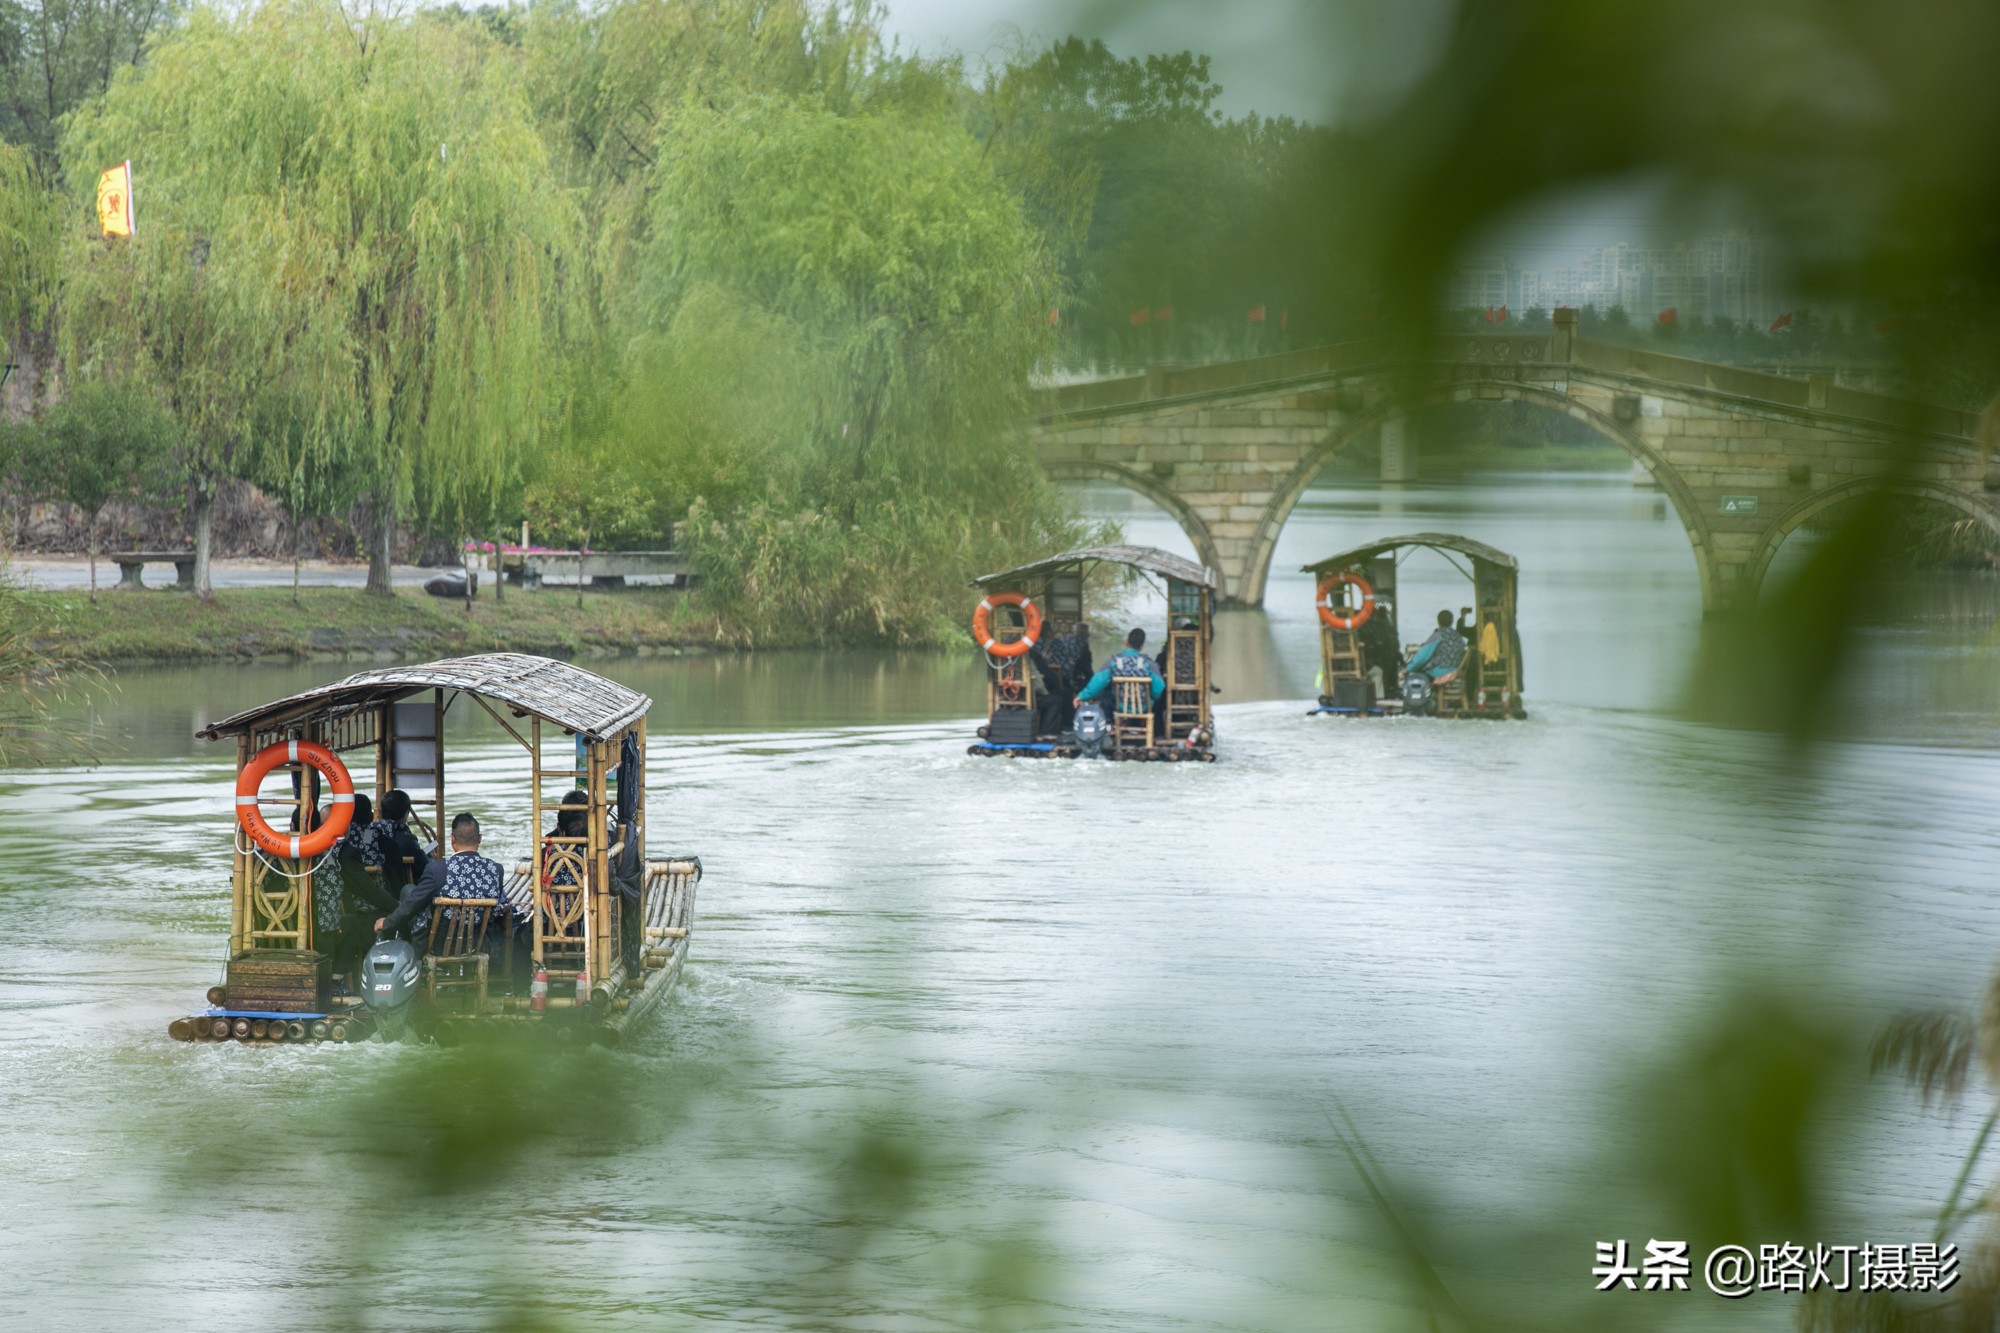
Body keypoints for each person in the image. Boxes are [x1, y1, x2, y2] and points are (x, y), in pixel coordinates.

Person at [1076, 627, 1165, 711]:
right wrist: (1151, 697)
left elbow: (1097, 683)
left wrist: (1081, 696)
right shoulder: (1149, 663)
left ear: (1126, 642)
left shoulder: (1114, 661)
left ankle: (1110, 723)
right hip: (1144, 707)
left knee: (1105, 692)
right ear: (1141, 646)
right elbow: (1159, 689)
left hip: (1120, 706)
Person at [1030, 621, 1092, 735]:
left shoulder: (1031, 648)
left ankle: (1065, 725)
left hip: (1037, 685)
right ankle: (1067, 726)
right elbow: (1065, 666)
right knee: (1065, 692)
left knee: (1064, 688)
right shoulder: (1055, 645)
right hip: (1043, 686)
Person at [1406, 609, 1469, 683]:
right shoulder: (1458, 636)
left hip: (1438, 672)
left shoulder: (1437, 635)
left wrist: (1408, 669)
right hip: (1454, 670)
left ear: (1438, 621)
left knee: (1415, 673)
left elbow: (1423, 657)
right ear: (1452, 621)